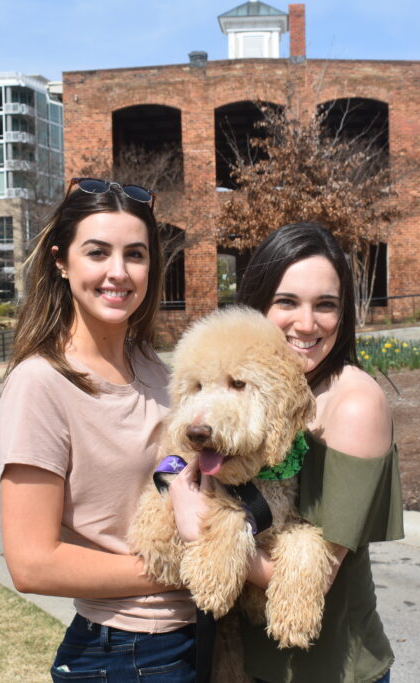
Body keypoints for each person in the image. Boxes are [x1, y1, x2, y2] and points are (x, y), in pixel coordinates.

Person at [171, 222, 403, 683]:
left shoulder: (354, 403)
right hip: (245, 663)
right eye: (287, 302)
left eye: (326, 305)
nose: (306, 323)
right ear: (258, 304)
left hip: (330, 670)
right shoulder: (256, 396)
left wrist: (200, 528)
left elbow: (311, 576)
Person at [0, 178, 197, 681]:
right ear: (62, 262)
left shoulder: (151, 365)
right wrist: (185, 566)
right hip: (129, 654)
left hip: (198, 636)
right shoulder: (40, 383)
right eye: (98, 252)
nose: (118, 272)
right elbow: (32, 564)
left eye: (135, 254)